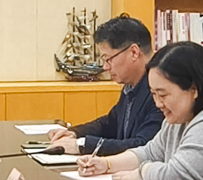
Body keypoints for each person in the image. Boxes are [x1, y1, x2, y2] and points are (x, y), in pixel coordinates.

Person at [78, 41, 203, 180]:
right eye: (153, 94)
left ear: (194, 89)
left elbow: (179, 178)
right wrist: (106, 164)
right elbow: (151, 152)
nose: (158, 103)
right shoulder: (180, 115)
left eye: (163, 94)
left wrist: (143, 171)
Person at [43, 15, 163, 156]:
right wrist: (75, 132)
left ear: (134, 52)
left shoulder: (161, 90)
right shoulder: (131, 84)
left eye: (108, 59)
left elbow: (143, 146)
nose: (105, 67)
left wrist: (82, 146)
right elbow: (110, 123)